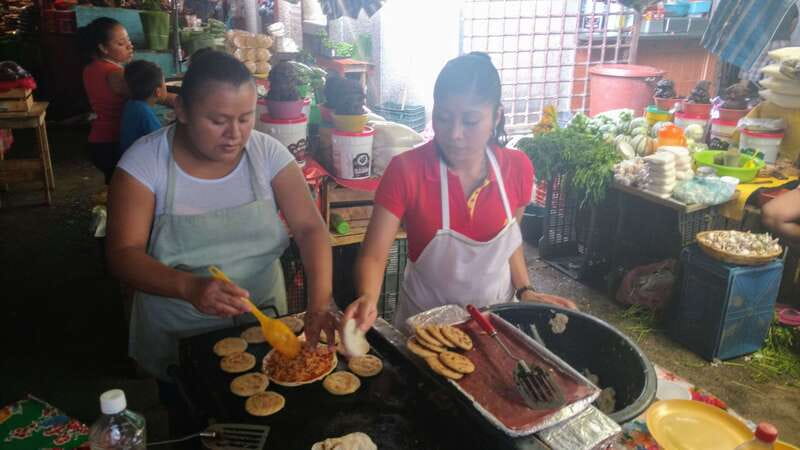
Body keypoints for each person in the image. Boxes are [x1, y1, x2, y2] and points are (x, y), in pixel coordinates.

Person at [106, 50, 335, 385]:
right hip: (179, 326)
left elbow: (310, 228)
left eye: (245, 118)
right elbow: (123, 255)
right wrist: (189, 286)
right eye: (218, 121)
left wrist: (319, 303)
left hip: (264, 319)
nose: (235, 134)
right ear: (181, 109)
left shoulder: (268, 154)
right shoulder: (145, 162)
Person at [344, 52, 577, 331]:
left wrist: (526, 290)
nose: (454, 133)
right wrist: (368, 297)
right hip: (424, 329)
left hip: (494, 326)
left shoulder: (517, 168)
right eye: (443, 117)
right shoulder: (406, 170)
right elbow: (373, 255)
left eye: (470, 121)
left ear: (496, 116)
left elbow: (509, 242)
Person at [79, 17, 134, 184]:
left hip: (98, 140)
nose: (129, 46)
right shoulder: (115, 73)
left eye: (128, 41)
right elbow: (149, 93)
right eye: (121, 43)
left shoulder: (90, 68)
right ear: (103, 48)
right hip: (113, 142)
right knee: (124, 189)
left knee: (115, 186)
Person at [120, 60, 166, 153]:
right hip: (138, 161)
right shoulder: (143, 112)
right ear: (158, 92)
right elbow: (161, 143)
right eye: (164, 84)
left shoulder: (132, 104)